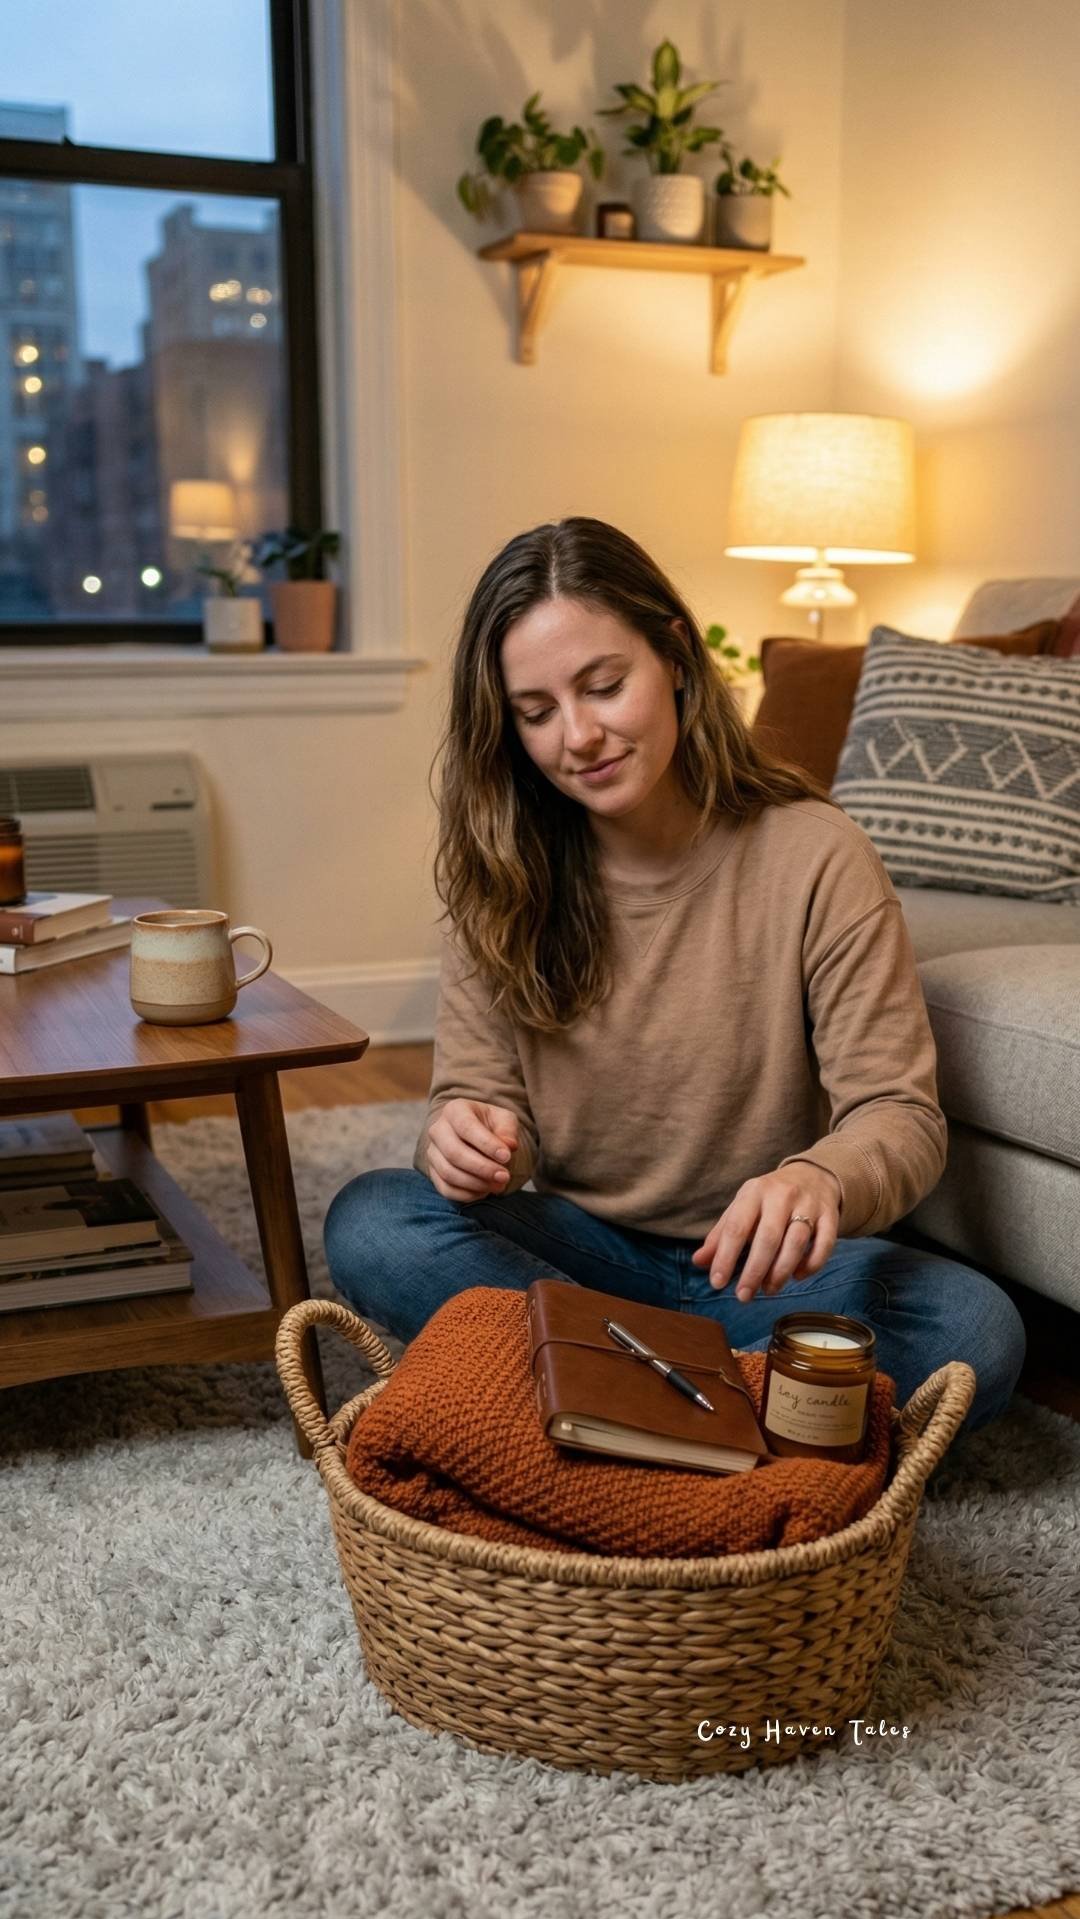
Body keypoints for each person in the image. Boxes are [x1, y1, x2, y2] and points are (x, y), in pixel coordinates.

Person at [325, 517, 1025, 1432]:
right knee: (373, 1220)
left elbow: (900, 1115)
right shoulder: (497, 875)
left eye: (605, 686)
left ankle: (588, 1401)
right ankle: (713, 1419)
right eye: (536, 713)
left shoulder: (816, 854)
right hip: (581, 1258)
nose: (578, 736)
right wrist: (464, 1139)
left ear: (678, 658)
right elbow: (475, 1102)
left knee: (976, 1328)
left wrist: (822, 1179)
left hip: (769, 1276)